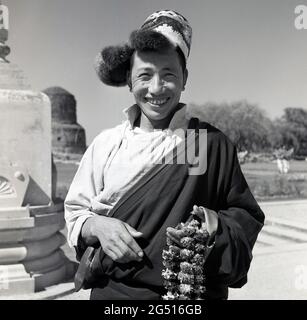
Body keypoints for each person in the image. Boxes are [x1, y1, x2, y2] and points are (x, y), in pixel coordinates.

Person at [64, 10, 265, 300]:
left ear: (184, 78)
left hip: (191, 296)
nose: (156, 88)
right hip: (115, 295)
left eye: (168, 74)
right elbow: (75, 213)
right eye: (144, 75)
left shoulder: (209, 143)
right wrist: (95, 225)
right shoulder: (106, 144)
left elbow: (245, 218)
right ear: (130, 82)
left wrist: (211, 228)